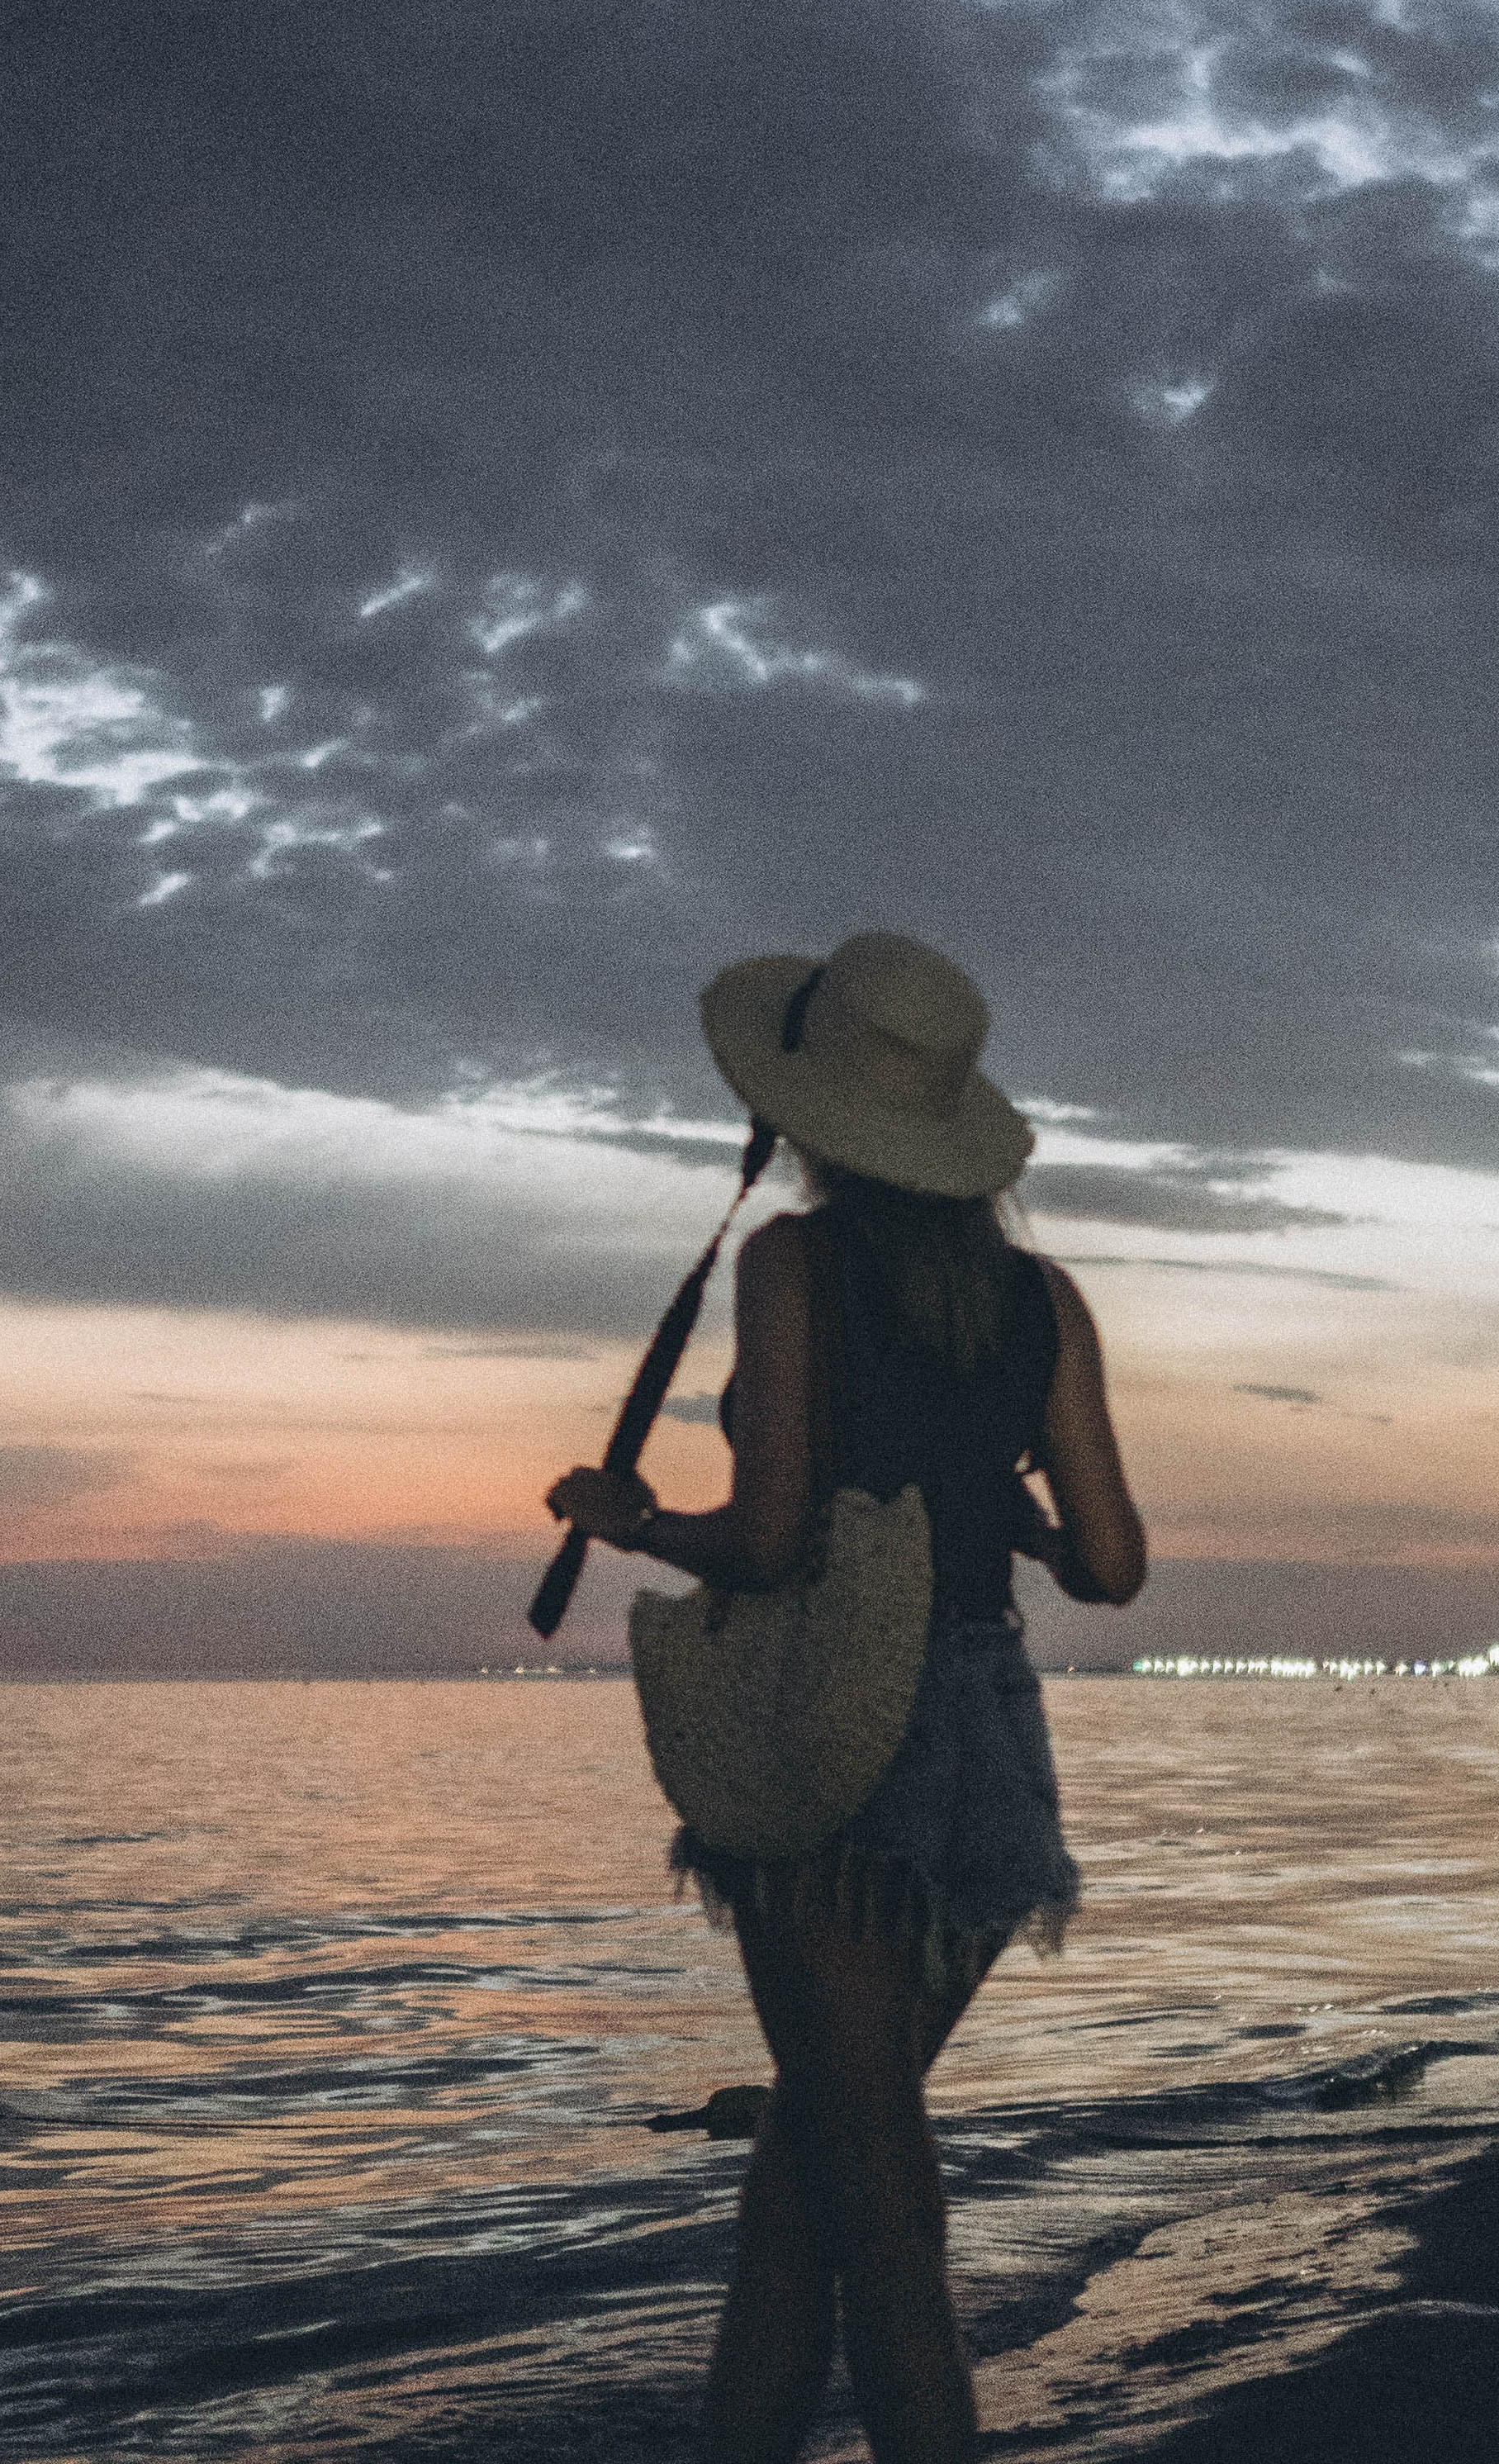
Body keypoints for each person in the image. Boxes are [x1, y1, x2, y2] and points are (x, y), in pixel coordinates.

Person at [547, 928, 1146, 2464]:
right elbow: (1111, 1565)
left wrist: (631, 1524)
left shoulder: (792, 1261)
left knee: (873, 2200)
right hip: (991, 1742)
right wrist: (979, 1498)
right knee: (811, 2164)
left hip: (843, 1744)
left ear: (812, 1115)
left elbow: (773, 1539)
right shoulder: (1046, 1299)